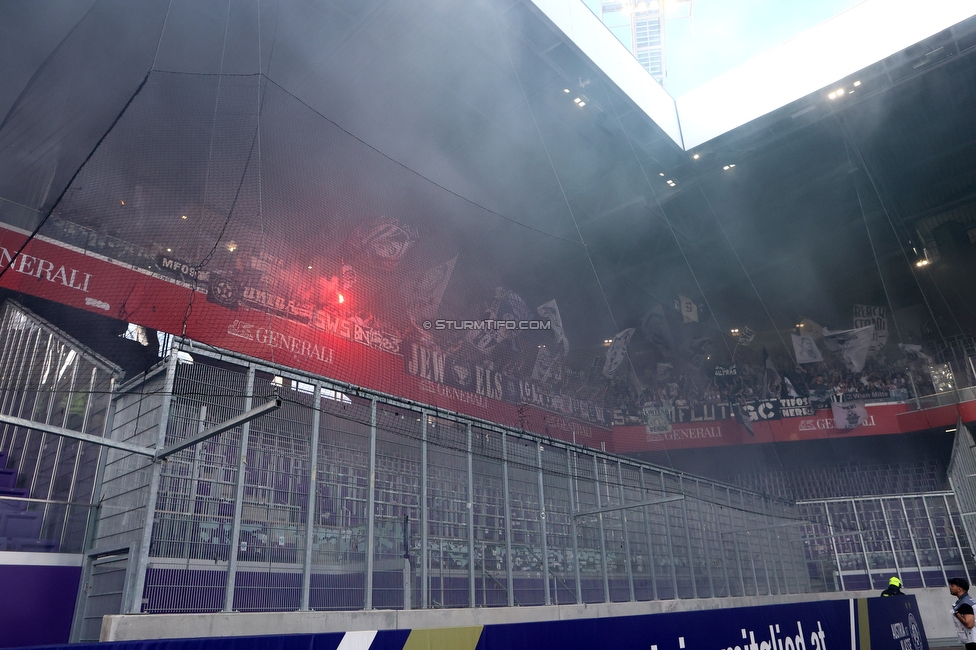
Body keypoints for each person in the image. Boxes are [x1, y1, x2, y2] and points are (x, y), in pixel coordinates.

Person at [950, 577, 976, 650]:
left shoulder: (965, 604)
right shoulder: (968, 600)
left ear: (959, 589)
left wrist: (958, 615)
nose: (950, 587)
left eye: (952, 586)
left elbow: (969, 624)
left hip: (973, 639)